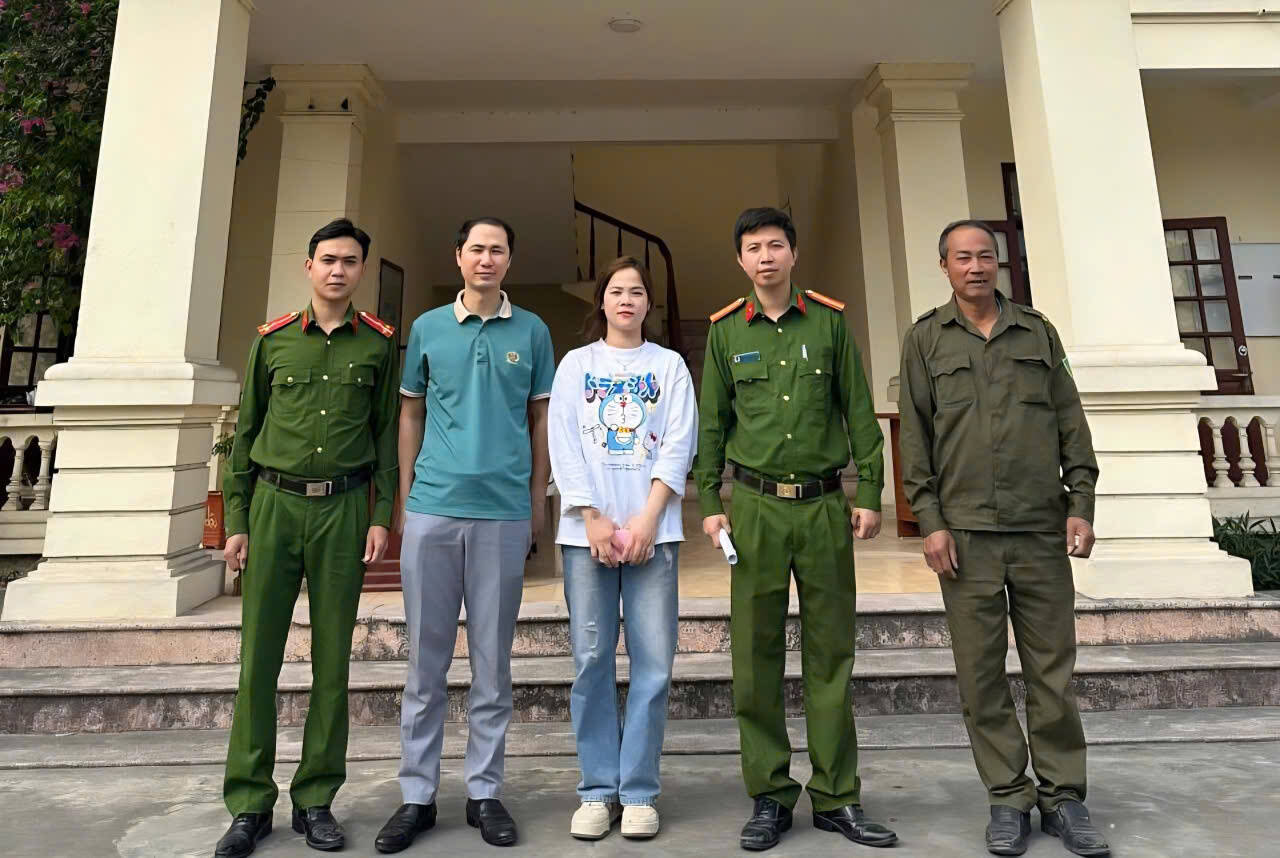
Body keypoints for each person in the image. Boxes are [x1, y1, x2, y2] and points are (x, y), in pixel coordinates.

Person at [897, 219, 1108, 858]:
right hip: (965, 538)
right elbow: (916, 439)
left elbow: (1071, 421)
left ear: (998, 263)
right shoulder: (925, 340)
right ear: (945, 267)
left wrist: (1082, 503)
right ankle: (1009, 798)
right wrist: (928, 522)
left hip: (1042, 529)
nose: (976, 266)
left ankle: (1064, 797)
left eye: (986, 255)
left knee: (1052, 671)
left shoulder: (1037, 332)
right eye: (963, 257)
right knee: (981, 676)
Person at [694, 207, 898, 852]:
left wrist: (870, 491)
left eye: (775, 245)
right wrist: (708, 499)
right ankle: (770, 796)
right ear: (740, 260)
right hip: (752, 508)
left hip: (821, 508)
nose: (765, 258)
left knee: (831, 652)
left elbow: (859, 410)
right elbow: (712, 424)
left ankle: (838, 796)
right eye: (752, 248)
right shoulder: (726, 333)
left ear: (793, 252)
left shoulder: (830, 323)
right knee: (754, 657)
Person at [215, 218, 399, 857]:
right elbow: (244, 435)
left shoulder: (377, 345)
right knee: (257, 660)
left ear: (361, 271)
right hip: (272, 507)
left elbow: (383, 438)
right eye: (327, 259)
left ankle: (316, 798)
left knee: (331, 664)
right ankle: (248, 803)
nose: (337, 270)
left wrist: (382, 514)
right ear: (309, 266)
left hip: (342, 511)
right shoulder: (272, 342)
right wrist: (236, 520)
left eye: (350, 260)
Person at [374, 217, 554, 853]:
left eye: (497, 250)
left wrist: (536, 502)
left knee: (491, 661)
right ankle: (417, 795)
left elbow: (540, 421)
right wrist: (403, 501)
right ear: (458, 257)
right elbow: (410, 414)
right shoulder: (426, 328)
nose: (486, 259)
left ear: (509, 260)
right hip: (433, 508)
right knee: (425, 663)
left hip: (503, 512)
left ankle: (484, 792)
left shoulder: (532, 331)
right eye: (476, 249)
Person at [548, 256, 697, 842]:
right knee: (590, 661)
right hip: (587, 537)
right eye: (617, 291)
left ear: (648, 304)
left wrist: (645, 519)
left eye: (638, 291)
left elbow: (679, 441)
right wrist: (594, 518)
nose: (627, 300)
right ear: (602, 302)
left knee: (653, 665)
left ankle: (637, 792)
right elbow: (564, 442)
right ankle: (596, 790)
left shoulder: (670, 366)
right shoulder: (576, 365)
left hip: (652, 536)